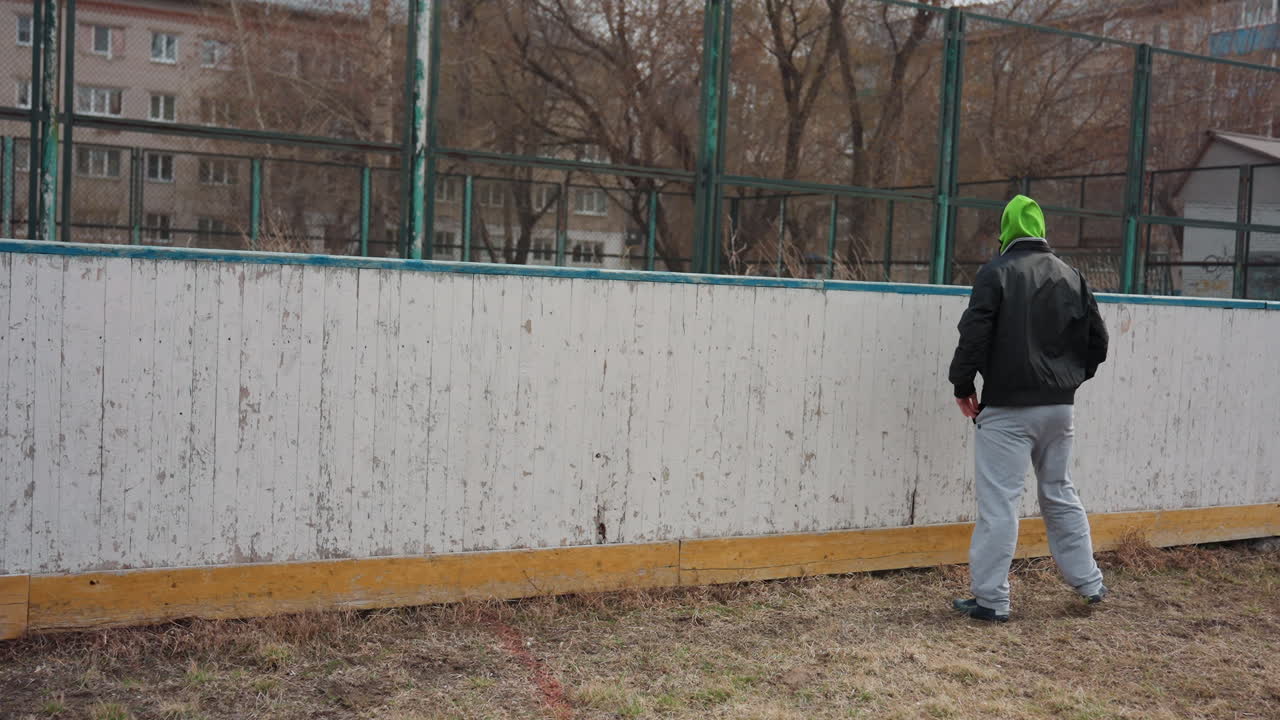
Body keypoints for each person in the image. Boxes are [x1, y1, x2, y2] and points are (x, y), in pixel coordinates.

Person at [947, 194, 1110, 623]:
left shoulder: (996, 272)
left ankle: (992, 600)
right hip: (1059, 409)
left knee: (1000, 503)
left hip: (1008, 408)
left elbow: (974, 333)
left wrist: (962, 384)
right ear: (1040, 230)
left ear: (1006, 231)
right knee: (1059, 491)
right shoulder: (1071, 276)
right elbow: (1099, 341)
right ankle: (1090, 583)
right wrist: (1069, 381)